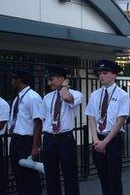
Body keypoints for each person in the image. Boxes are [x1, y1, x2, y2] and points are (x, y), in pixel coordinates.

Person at [85, 60, 130, 195]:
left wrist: (105, 142)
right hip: (98, 140)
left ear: (114, 75)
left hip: (113, 140)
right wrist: (96, 140)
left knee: (114, 179)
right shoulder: (95, 94)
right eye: (100, 74)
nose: (101, 76)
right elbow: (91, 117)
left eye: (105, 73)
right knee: (103, 177)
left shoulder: (122, 95)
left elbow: (120, 121)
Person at [41, 66, 83, 195]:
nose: (49, 83)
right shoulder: (47, 97)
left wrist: (64, 86)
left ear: (61, 79)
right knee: (51, 175)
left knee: (70, 176)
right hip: (49, 138)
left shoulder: (76, 94)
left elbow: (66, 98)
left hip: (65, 139)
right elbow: (44, 118)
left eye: (51, 79)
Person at [8, 69, 43, 195]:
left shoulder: (33, 97)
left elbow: (38, 123)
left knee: (29, 177)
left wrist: (35, 147)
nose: (11, 82)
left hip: (27, 141)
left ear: (19, 80)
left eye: (13, 80)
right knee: (18, 175)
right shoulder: (18, 97)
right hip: (16, 139)